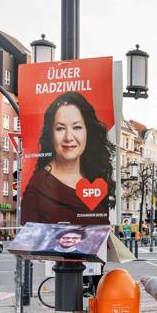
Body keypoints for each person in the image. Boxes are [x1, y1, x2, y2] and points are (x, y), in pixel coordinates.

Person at [21, 92, 115, 225]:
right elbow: (29, 241)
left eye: (77, 127)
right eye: (60, 128)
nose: (68, 137)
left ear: (88, 131)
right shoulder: (37, 188)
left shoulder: (96, 177)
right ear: (51, 134)